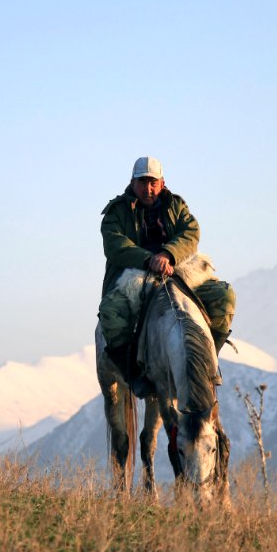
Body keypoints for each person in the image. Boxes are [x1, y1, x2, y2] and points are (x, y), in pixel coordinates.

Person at [99, 156, 236, 390]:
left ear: (162, 183)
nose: (147, 188)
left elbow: (191, 232)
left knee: (225, 297)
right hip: (133, 275)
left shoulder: (176, 205)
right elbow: (115, 245)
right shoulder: (117, 211)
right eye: (142, 182)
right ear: (132, 183)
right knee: (110, 314)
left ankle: (205, 361)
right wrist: (148, 259)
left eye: (153, 182)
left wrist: (168, 254)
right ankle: (132, 375)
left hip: (178, 270)